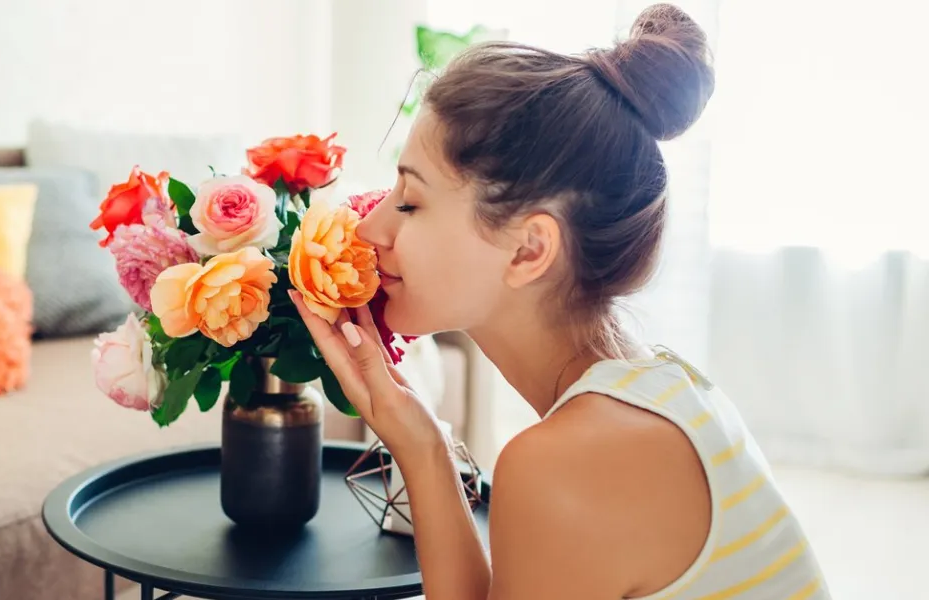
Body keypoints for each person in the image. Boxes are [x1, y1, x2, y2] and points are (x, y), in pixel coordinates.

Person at [289, 3, 831, 599]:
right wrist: (422, 444)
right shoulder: (666, 387)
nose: (370, 230)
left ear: (528, 250)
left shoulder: (569, 466)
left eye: (411, 202)